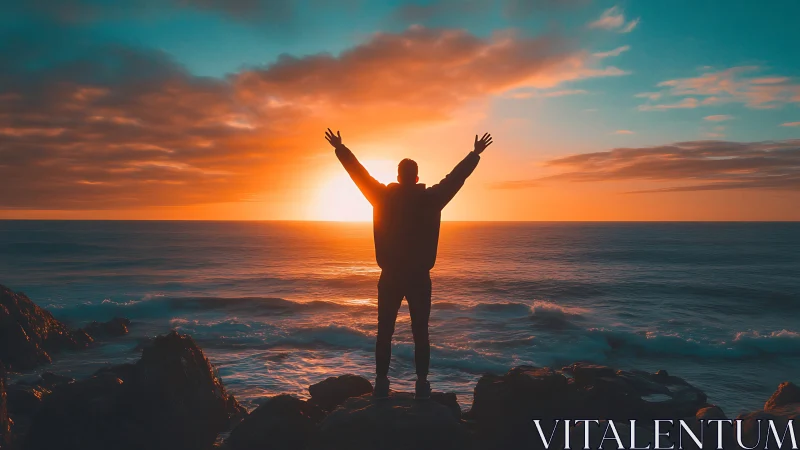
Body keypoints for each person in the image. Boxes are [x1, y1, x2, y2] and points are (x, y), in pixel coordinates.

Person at [325, 128, 493, 400]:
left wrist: (341, 149)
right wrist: (474, 154)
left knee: (385, 332)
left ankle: (381, 382)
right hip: (418, 277)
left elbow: (358, 174)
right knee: (420, 332)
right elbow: (456, 178)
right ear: (416, 178)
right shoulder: (431, 199)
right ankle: (422, 384)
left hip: (390, 275)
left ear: (397, 177)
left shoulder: (382, 196)